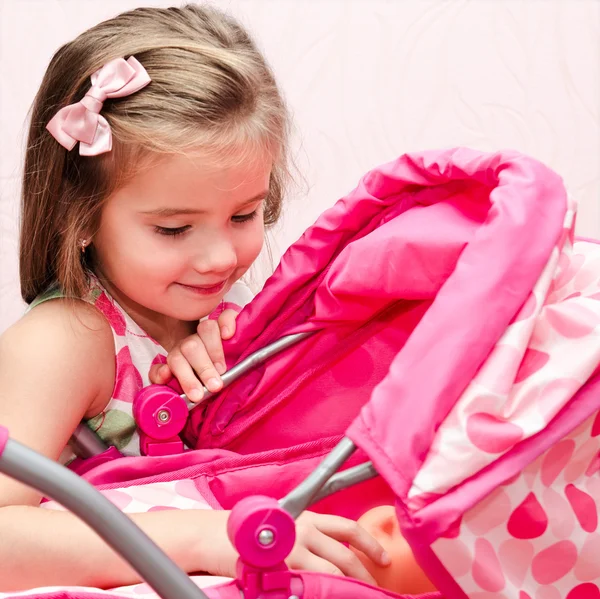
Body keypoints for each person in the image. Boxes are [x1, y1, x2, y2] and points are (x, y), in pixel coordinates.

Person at [0, 4, 390, 591]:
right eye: (174, 229)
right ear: (78, 217)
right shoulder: (67, 341)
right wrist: (206, 535)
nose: (219, 259)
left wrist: (241, 383)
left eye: (243, 214)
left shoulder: (224, 319)